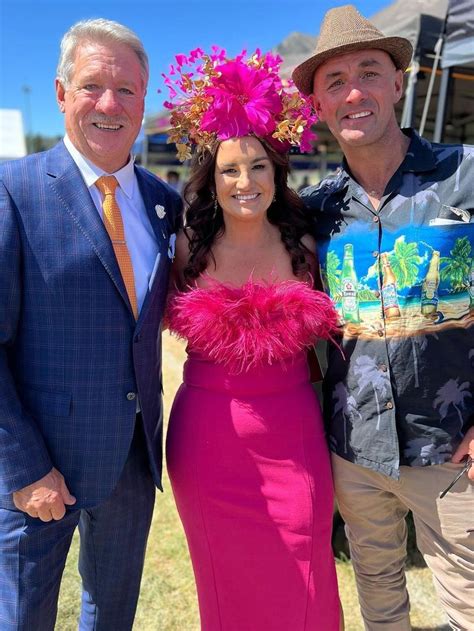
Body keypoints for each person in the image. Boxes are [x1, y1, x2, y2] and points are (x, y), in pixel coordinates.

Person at [292, 5, 474, 630]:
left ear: (399, 81)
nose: (354, 93)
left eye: (369, 72)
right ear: (318, 104)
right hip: (354, 447)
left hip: (453, 446)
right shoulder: (313, 212)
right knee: (377, 591)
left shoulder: (465, 176)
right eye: (334, 82)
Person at [0, 18, 181, 631]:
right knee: (23, 616)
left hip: (132, 458)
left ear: (145, 95)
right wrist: (23, 469)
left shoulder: (164, 202)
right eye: (92, 87)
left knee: (112, 614)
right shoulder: (12, 191)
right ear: (60, 93)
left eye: (127, 89)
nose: (110, 105)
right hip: (40, 467)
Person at [163, 47, 342, 630]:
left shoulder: (307, 250)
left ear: (277, 172)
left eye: (258, 166)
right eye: (230, 170)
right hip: (209, 445)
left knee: (307, 573)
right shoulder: (187, 252)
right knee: (225, 585)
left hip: (294, 435)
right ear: (210, 180)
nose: (246, 181)